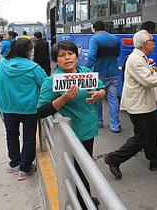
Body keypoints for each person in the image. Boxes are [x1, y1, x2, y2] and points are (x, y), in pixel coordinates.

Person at [104, 30, 157, 179]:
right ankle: (114, 158)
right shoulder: (136, 60)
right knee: (142, 137)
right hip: (139, 106)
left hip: (145, 104)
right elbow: (148, 81)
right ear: (145, 44)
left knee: (152, 133)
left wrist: (151, 68)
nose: (154, 43)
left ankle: (155, 161)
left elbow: (146, 76)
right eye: (152, 40)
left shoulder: (142, 58)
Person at [38, 40, 106, 207]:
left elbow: (102, 88)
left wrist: (99, 94)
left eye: (70, 54)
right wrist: (64, 98)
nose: (67, 58)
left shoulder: (86, 72)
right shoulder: (52, 81)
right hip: (70, 134)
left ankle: (85, 197)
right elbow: (40, 111)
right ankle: (83, 202)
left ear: (76, 55)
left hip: (88, 129)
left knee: (84, 166)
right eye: (62, 55)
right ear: (56, 60)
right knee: (78, 169)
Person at [0, 38, 48, 180]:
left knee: (11, 136)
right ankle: (25, 168)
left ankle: (14, 164)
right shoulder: (33, 67)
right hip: (29, 109)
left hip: (7, 108)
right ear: (28, 51)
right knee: (29, 138)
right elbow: (46, 84)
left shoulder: (1, 64)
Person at [86, 20, 121, 132]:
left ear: (94, 29)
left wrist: (85, 70)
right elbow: (117, 54)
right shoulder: (115, 38)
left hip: (99, 75)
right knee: (113, 100)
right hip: (113, 74)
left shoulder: (94, 39)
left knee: (98, 99)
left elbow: (91, 56)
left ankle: (99, 122)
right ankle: (115, 125)